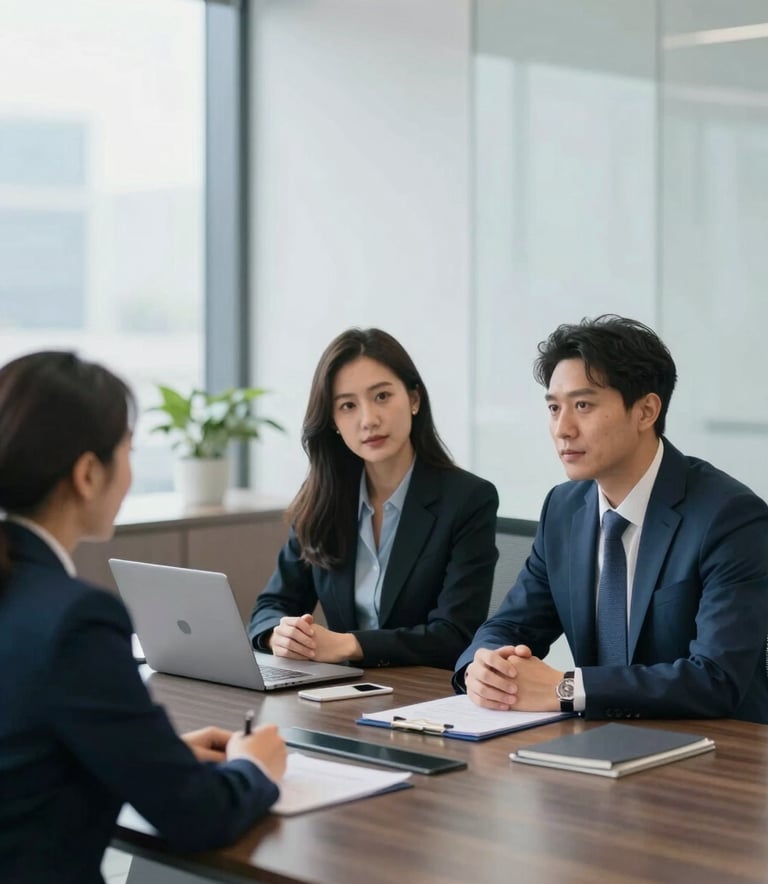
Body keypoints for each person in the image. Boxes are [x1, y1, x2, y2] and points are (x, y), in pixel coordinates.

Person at [0, 351, 286, 884]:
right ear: (88, 473)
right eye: (128, 450)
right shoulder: (76, 620)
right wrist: (255, 767)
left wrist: (156, 755)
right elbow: (197, 815)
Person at [455, 315, 768, 723]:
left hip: (713, 756)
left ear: (645, 411)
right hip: (597, 744)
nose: (562, 429)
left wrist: (564, 688)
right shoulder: (564, 509)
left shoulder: (729, 517)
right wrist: (484, 668)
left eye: (583, 405)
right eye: (553, 408)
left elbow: (715, 679)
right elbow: (512, 625)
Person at [248, 328, 499, 669]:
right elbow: (271, 605)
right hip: (337, 696)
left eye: (382, 397)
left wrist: (348, 644)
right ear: (334, 422)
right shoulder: (323, 499)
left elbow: (454, 634)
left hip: (424, 698)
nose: (369, 420)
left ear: (414, 399)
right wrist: (277, 634)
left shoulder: (468, 499)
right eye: (348, 406)